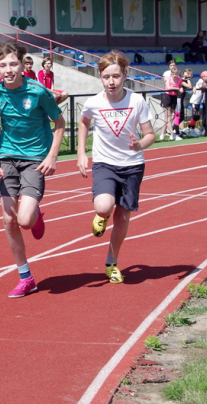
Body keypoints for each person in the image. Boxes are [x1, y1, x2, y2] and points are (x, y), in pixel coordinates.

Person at [0, 41, 65, 298]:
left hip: (34, 159)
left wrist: (52, 157)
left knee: (25, 221)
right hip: (6, 158)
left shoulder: (39, 91)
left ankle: (37, 214)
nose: (8, 69)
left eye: (13, 63)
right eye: (3, 65)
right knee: (9, 221)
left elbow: (60, 123)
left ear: (22, 64)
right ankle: (25, 277)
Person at [77, 51, 155, 284]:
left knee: (122, 219)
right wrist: (82, 153)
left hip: (132, 166)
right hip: (105, 163)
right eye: (106, 77)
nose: (111, 82)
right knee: (104, 205)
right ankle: (101, 215)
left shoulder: (136, 101)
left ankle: (111, 262)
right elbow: (83, 122)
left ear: (125, 76)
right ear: (100, 77)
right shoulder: (94, 102)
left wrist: (139, 144)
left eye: (116, 76)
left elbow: (150, 134)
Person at [159, 61, 182, 141]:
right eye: (173, 74)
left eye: (176, 74)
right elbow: (168, 87)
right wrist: (177, 89)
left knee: (168, 117)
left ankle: (162, 133)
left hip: (174, 97)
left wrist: (180, 89)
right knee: (168, 117)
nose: (175, 76)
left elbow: (181, 87)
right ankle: (172, 134)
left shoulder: (179, 79)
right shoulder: (168, 77)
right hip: (167, 97)